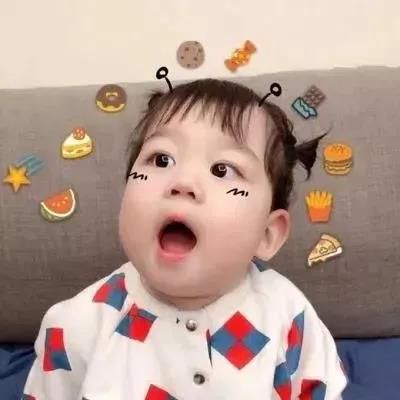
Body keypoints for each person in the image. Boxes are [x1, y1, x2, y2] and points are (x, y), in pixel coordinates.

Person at [22, 78, 348, 399]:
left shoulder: (287, 315)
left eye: (222, 170)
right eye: (161, 159)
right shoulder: (76, 327)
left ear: (267, 234)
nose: (183, 182)